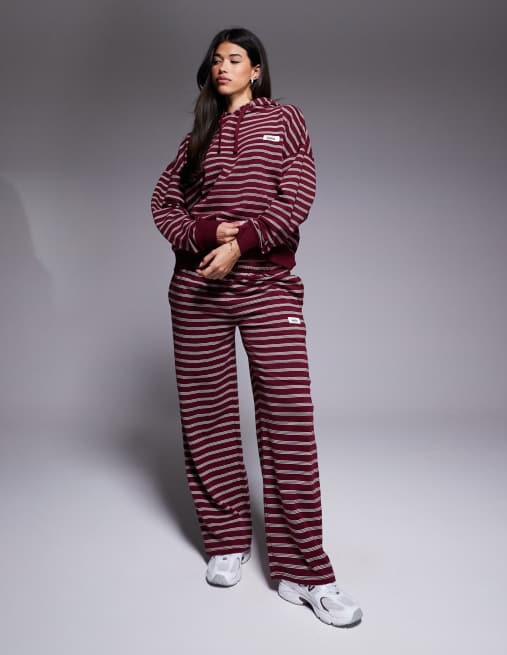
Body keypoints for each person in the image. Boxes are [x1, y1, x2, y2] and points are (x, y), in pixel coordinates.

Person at [150, 26, 363, 628]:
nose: (223, 66)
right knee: (207, 414)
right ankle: (225, 539)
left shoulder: (285, 120)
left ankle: (304, 570)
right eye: (216, 59)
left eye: (235, 58)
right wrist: (203, 234)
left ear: (257, 70)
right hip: (197, 290)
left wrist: (240, 243)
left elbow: (297, 197)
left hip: (266, 285)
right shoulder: (197, 137)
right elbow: (164, 204)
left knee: (288, 417)